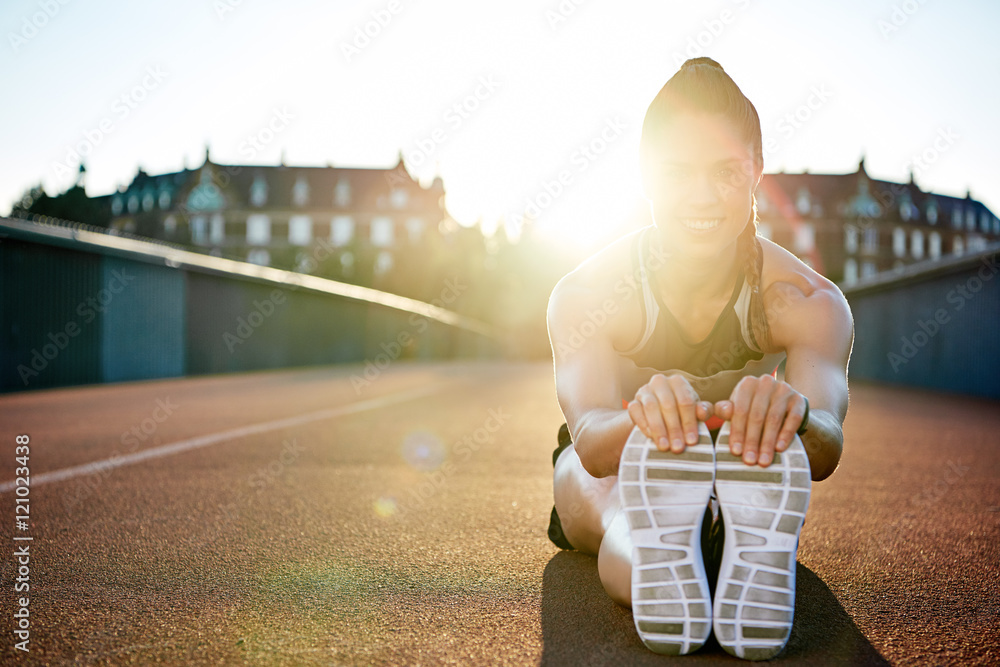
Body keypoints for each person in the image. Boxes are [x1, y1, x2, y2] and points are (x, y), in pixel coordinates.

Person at [545, 57, 853, 660]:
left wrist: (793, 415)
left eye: (725, 173)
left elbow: (827, 445)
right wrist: (644, 420)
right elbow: (588, 437)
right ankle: (680, 552)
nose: (701, 196)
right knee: (606, 492)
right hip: (626, 456)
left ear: (757, 171)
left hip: (747, 454)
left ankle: (717, 540)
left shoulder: (808, 301)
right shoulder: (590, 294)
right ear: (645, 175)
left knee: (763, 471)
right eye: (677, 172)